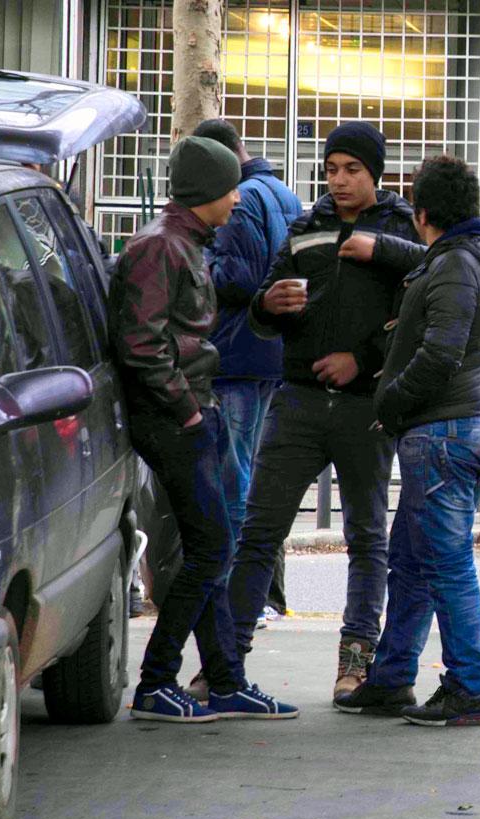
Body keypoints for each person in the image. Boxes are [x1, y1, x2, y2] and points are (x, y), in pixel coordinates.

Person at [226, 122, 426, 701]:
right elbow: (264, 310)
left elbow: (421, 305)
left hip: (366, 408)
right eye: (332, 169)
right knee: (260, 532)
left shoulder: (399, 228)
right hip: (298, 401)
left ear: (375, 174)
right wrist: (268, 305)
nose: (339, 181)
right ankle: (225, 663)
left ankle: (355, 665)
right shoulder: (305, 225)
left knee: (367, 538)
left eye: (352, 170)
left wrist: (362, 360)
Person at [110, 136, 297, 721]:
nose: (238, 199)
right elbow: (142, 344)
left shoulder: (183, 243)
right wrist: (187, 411)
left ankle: (224, 680)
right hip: (176, 420)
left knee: (212, 549)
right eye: (229, 189)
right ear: (205, 192)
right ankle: (156, 682)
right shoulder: (161, 247)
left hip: (192, 411)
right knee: (213, 548)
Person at [335, 153, 480, 725]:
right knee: (413, 562)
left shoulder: (457, 264)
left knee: (445, 564)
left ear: (422, 214)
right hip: (458, 426)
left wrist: (391, 401)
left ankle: (470, 687)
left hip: (443, 430)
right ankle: (391, 679)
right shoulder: (468, 255)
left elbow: (441, 352)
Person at [192, 118, 303, 621]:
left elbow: (238, 276)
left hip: (235, 353)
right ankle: (265, 595)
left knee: (233, 481)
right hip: (272, 354)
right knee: (256, 479)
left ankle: (239, 598)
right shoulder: (284, 194)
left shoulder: (241, 200)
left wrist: (195, 265)